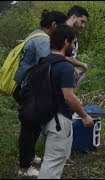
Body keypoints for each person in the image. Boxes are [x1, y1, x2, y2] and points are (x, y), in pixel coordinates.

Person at [13, 10, 67, 177]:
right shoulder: (42, 41)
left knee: (34, 125)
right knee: (29, 127)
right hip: (29, 89)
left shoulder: (36, 34)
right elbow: (47, 63)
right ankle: (24, 167)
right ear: (53, 25)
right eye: (62, 27)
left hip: (26, 86)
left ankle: (29, 157)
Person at [38, 24, 94, 179]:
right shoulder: (64, 67)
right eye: (73, 42)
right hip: (59, 119)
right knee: (54, 161)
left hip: (45, 115)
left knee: (50, 159)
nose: (74, 46)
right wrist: (84, 115)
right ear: (65, 41)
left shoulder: (45, 61)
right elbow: (68, 97)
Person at [65, 5, 89, 83]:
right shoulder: (61, 33)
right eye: (82, 21)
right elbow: (59, 57)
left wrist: (75, 70)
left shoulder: (73, 35)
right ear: (74, 17)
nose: (83, 26)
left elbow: (67, 59)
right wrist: (82, 64)